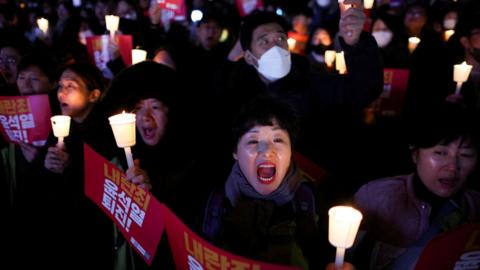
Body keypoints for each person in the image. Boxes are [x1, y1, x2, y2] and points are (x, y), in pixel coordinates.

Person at [213, 4, 383, 197]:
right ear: (250, 58)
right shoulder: (236, 93)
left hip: (309, 189)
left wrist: (357, 44)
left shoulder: (312, 81)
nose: (275, 47)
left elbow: (364, 88)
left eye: (280, 38)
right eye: (264, 41)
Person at [202, 97, 332, 269]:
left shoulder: (313, 202)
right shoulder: (214, 202)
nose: (267, 151)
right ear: (235, 152)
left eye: (278, 140)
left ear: (291, 151)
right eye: (253, 141)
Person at [353, 102, 480, 270]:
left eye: (465, 155)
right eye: (440, 153)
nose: (453, 166)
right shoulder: (375, 197)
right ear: (415, 154)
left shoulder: (476, 207)